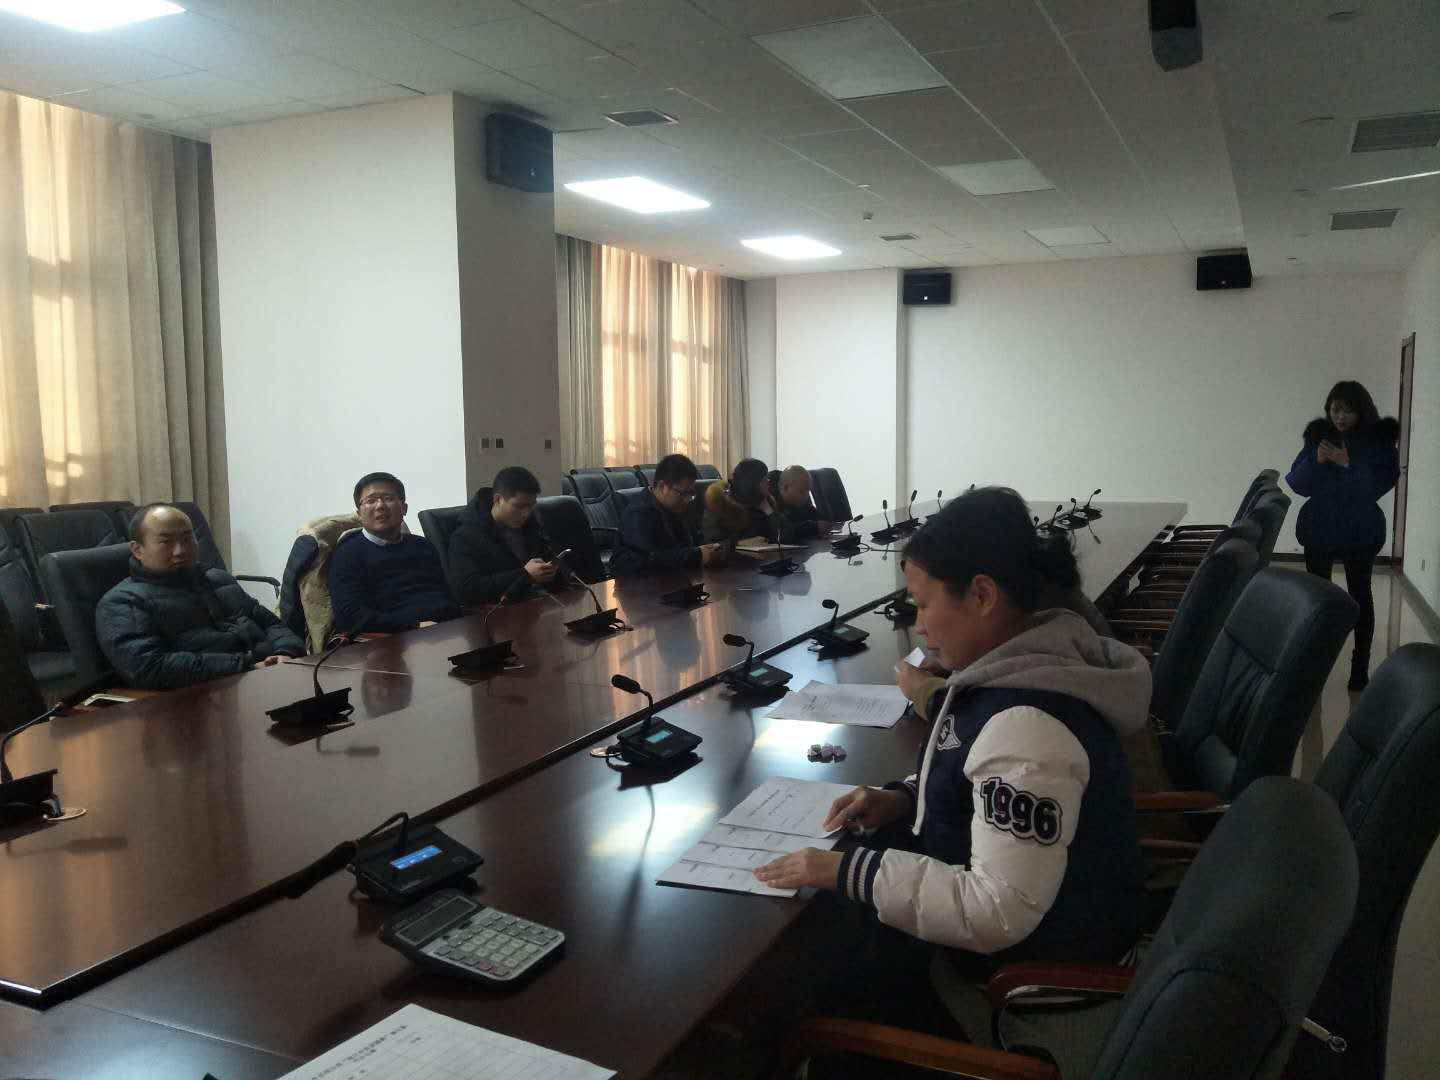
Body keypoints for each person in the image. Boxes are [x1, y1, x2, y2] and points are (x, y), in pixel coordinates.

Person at [753, 487, 1149, 1029]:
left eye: (923, 603)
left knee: (812, 996)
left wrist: (844, 869)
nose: (918, 625)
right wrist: (903, 797)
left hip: (1030, 987)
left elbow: (995, 911)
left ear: (982, 595)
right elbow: (977, 763)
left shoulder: (1029, 723)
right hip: (1038, 935)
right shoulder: (1025, 665)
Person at [96, 503, 305, 689]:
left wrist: (285, 652)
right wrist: (244, 666)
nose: (180, 550)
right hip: (202, 697)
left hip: (267, 680)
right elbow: (148, 667)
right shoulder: (124, 602)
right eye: (166, 542)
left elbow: (271, 624)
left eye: (188, 539)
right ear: (137, 550)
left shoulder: (218, 579)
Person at [1286, 379, 1400, 691]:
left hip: (1360, 529)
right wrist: (1316, 461)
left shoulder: (1379, 442)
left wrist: (1348, 464)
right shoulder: (1319, 437)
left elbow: (1376, 487)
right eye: (1336, 410)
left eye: (1348, 411)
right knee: (1317, 599)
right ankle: (1314, 665)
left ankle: (1359, 667)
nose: (1340, 417)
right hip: (1319, 527)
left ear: (1362, 411)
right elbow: (1296, 483)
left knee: (1360, 596)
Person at [328, 472, 461, 634]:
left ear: (404, 508)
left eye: (388, 498)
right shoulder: (347, 555)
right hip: (398, 638)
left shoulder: (423, 545)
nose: (380, 506)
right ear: (359, 515)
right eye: (371, 501)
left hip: (449, 627)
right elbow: (349, 616)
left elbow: (445, 595)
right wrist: (413, 626)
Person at [447, 466, 569, 605]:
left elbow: (554, 572)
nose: (526, 513)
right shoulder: (466, 536)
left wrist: (551, 571)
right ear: (498, 499)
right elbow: (466, 590)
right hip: (502, 611)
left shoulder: (531, 526)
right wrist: (525, 575)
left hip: (540, 604)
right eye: (519, 506)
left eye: (531, 506)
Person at [610, 453, 726, 575]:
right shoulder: (639, 513)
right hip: (638, 583)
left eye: (691, 494)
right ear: (662, 487)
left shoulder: (678, 507)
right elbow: (650, 560)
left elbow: (692, 543)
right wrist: (697, 555)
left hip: (676, 578)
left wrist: (710, 548)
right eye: (683, 494)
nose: (687, 500)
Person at [701, 457, 785, 545]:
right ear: (751, 484)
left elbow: (786, 537)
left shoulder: (766, 501)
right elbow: (712, 546)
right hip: (735, 554)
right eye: (764, 480)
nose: (768, 483)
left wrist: (770, 512)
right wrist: (740, 543)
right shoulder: (719, 504)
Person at [773, 465, 834, 541]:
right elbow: (782, 531)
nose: (806, 495)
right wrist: (813, 527)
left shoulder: (800, 501)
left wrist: (823, 525)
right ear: (786, 487)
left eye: (808, 491)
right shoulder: (769, 501)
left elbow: (819, 519)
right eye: (802, 491)